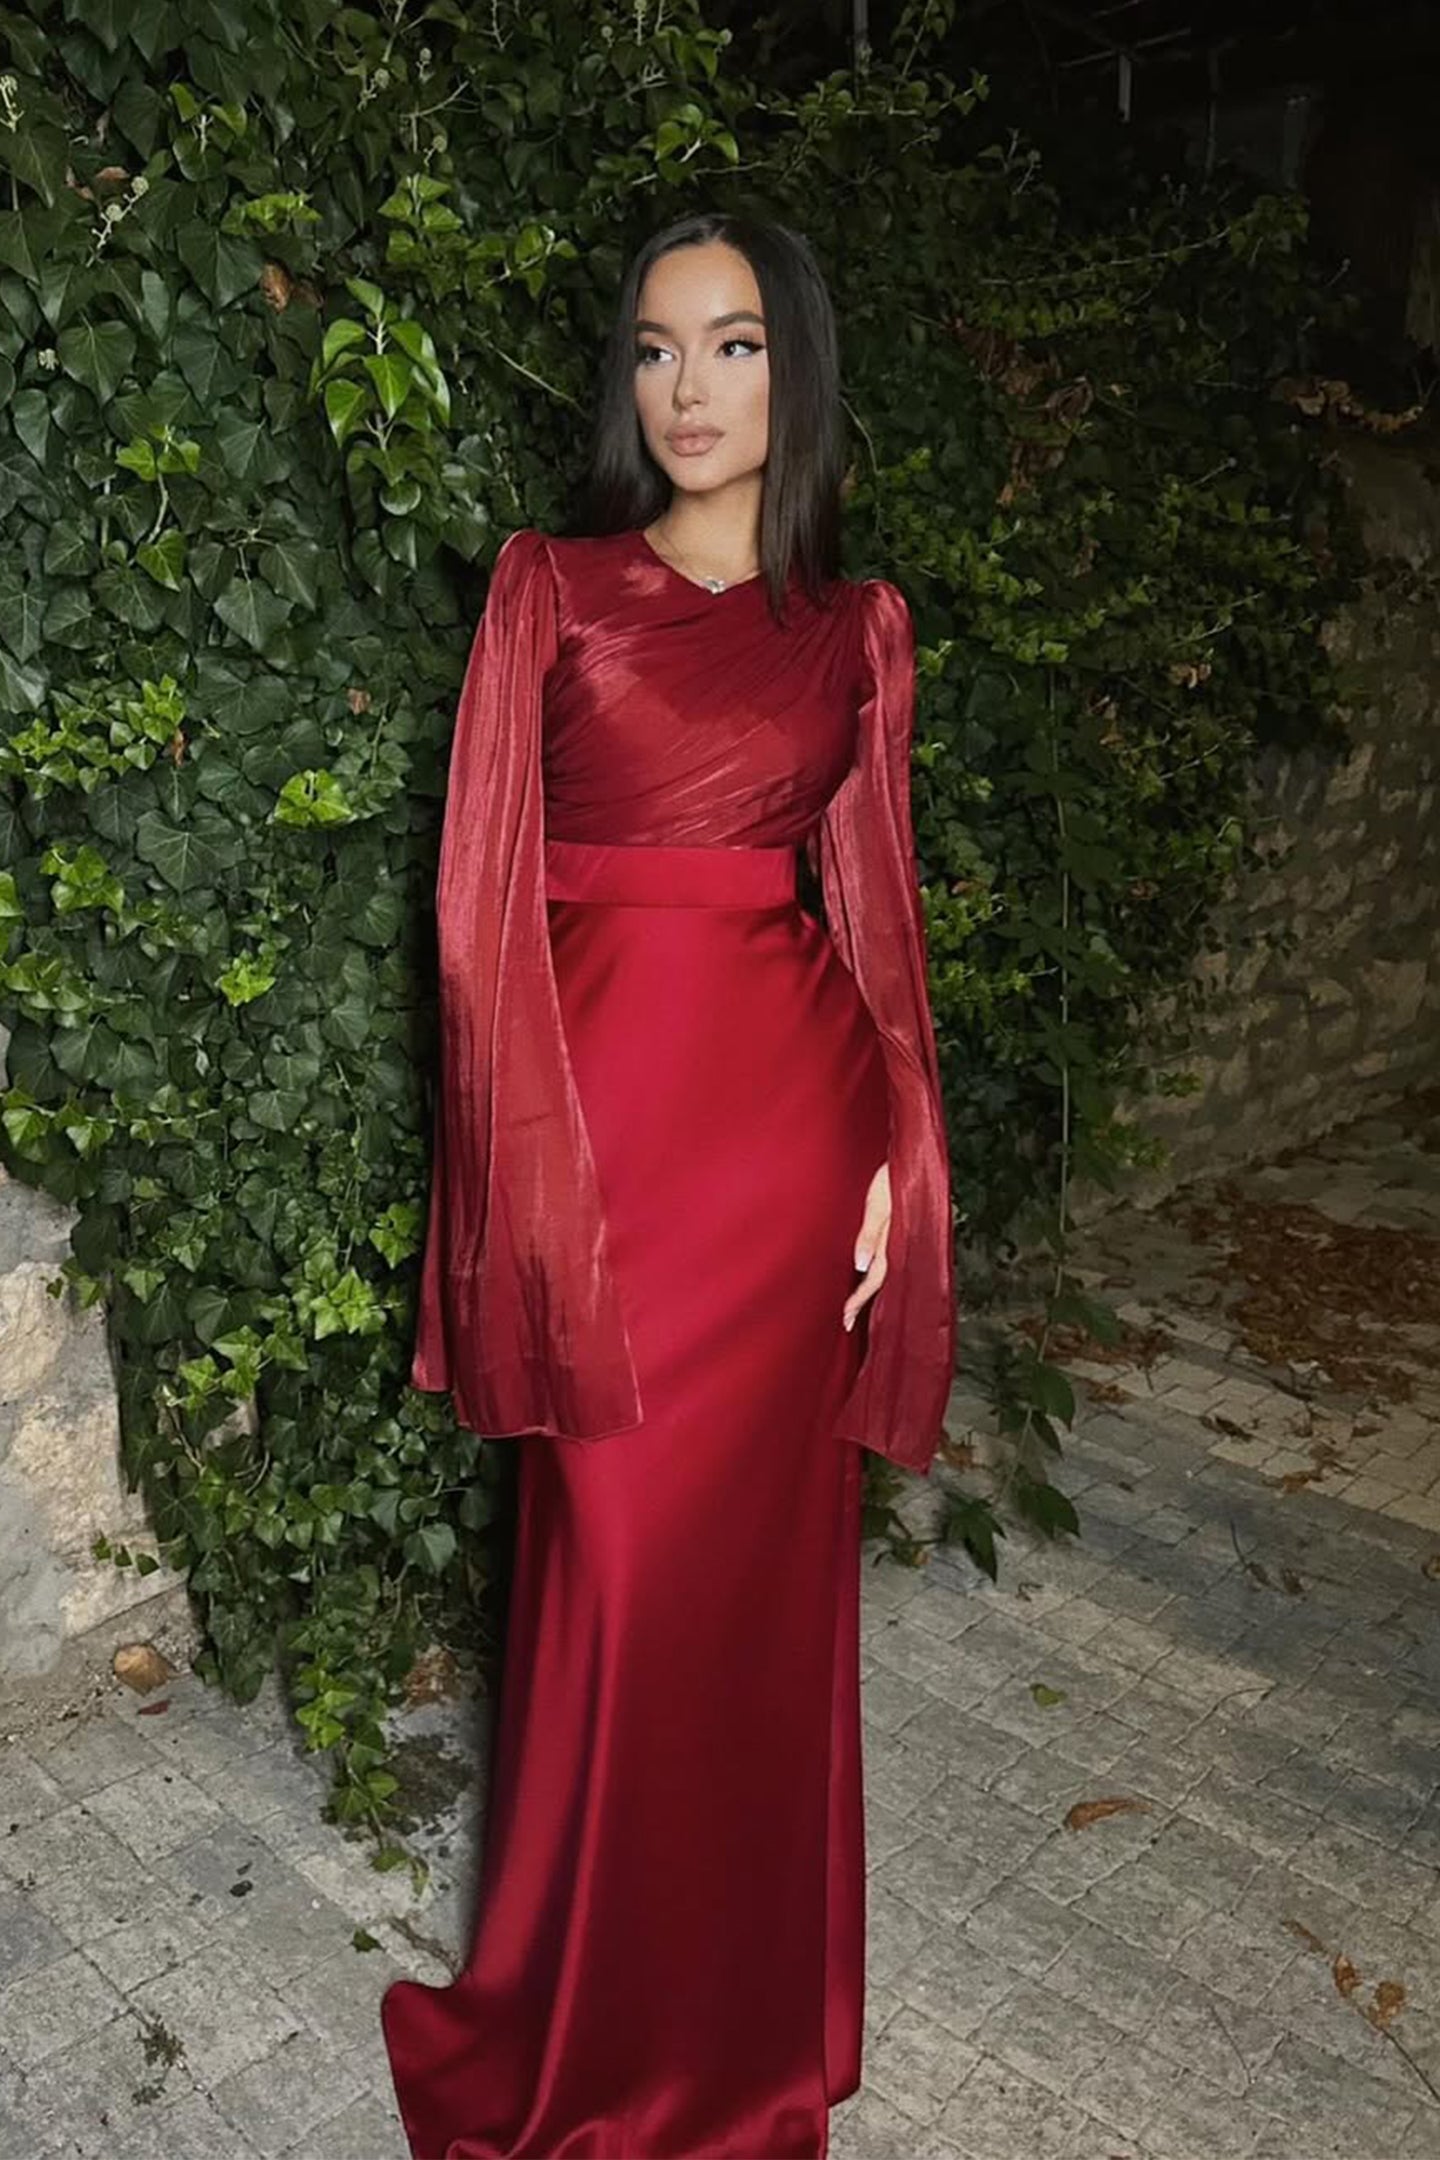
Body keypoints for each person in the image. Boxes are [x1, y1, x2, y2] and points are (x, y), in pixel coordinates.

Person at [380, 207, 956, 2160]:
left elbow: (878, 930)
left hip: (789, 1160)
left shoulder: (858, 630)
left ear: (799, 369)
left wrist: (895, 1171)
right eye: (654, 347)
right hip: (604, 1157)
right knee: (620, 1588)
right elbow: (478, 929)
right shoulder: (549, 592)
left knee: (753, 1611)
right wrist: (523, 1187)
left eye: (734, 344)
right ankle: (585, 2043)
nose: (689, 387)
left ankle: (743, 2045)